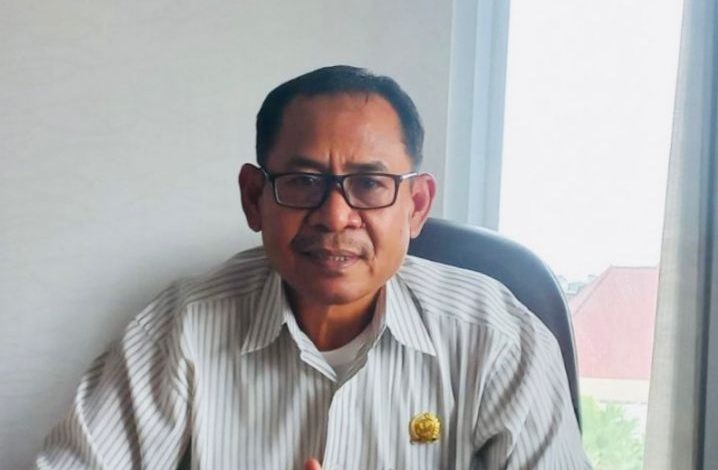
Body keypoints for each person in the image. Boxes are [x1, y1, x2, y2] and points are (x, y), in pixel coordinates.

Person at [35, 65, 590, 469]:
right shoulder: (180, 330)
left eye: (369, 184)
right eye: (303, 182)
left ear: (416, 206)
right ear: (254, 198)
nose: (334, 215)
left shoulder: (498, 341)